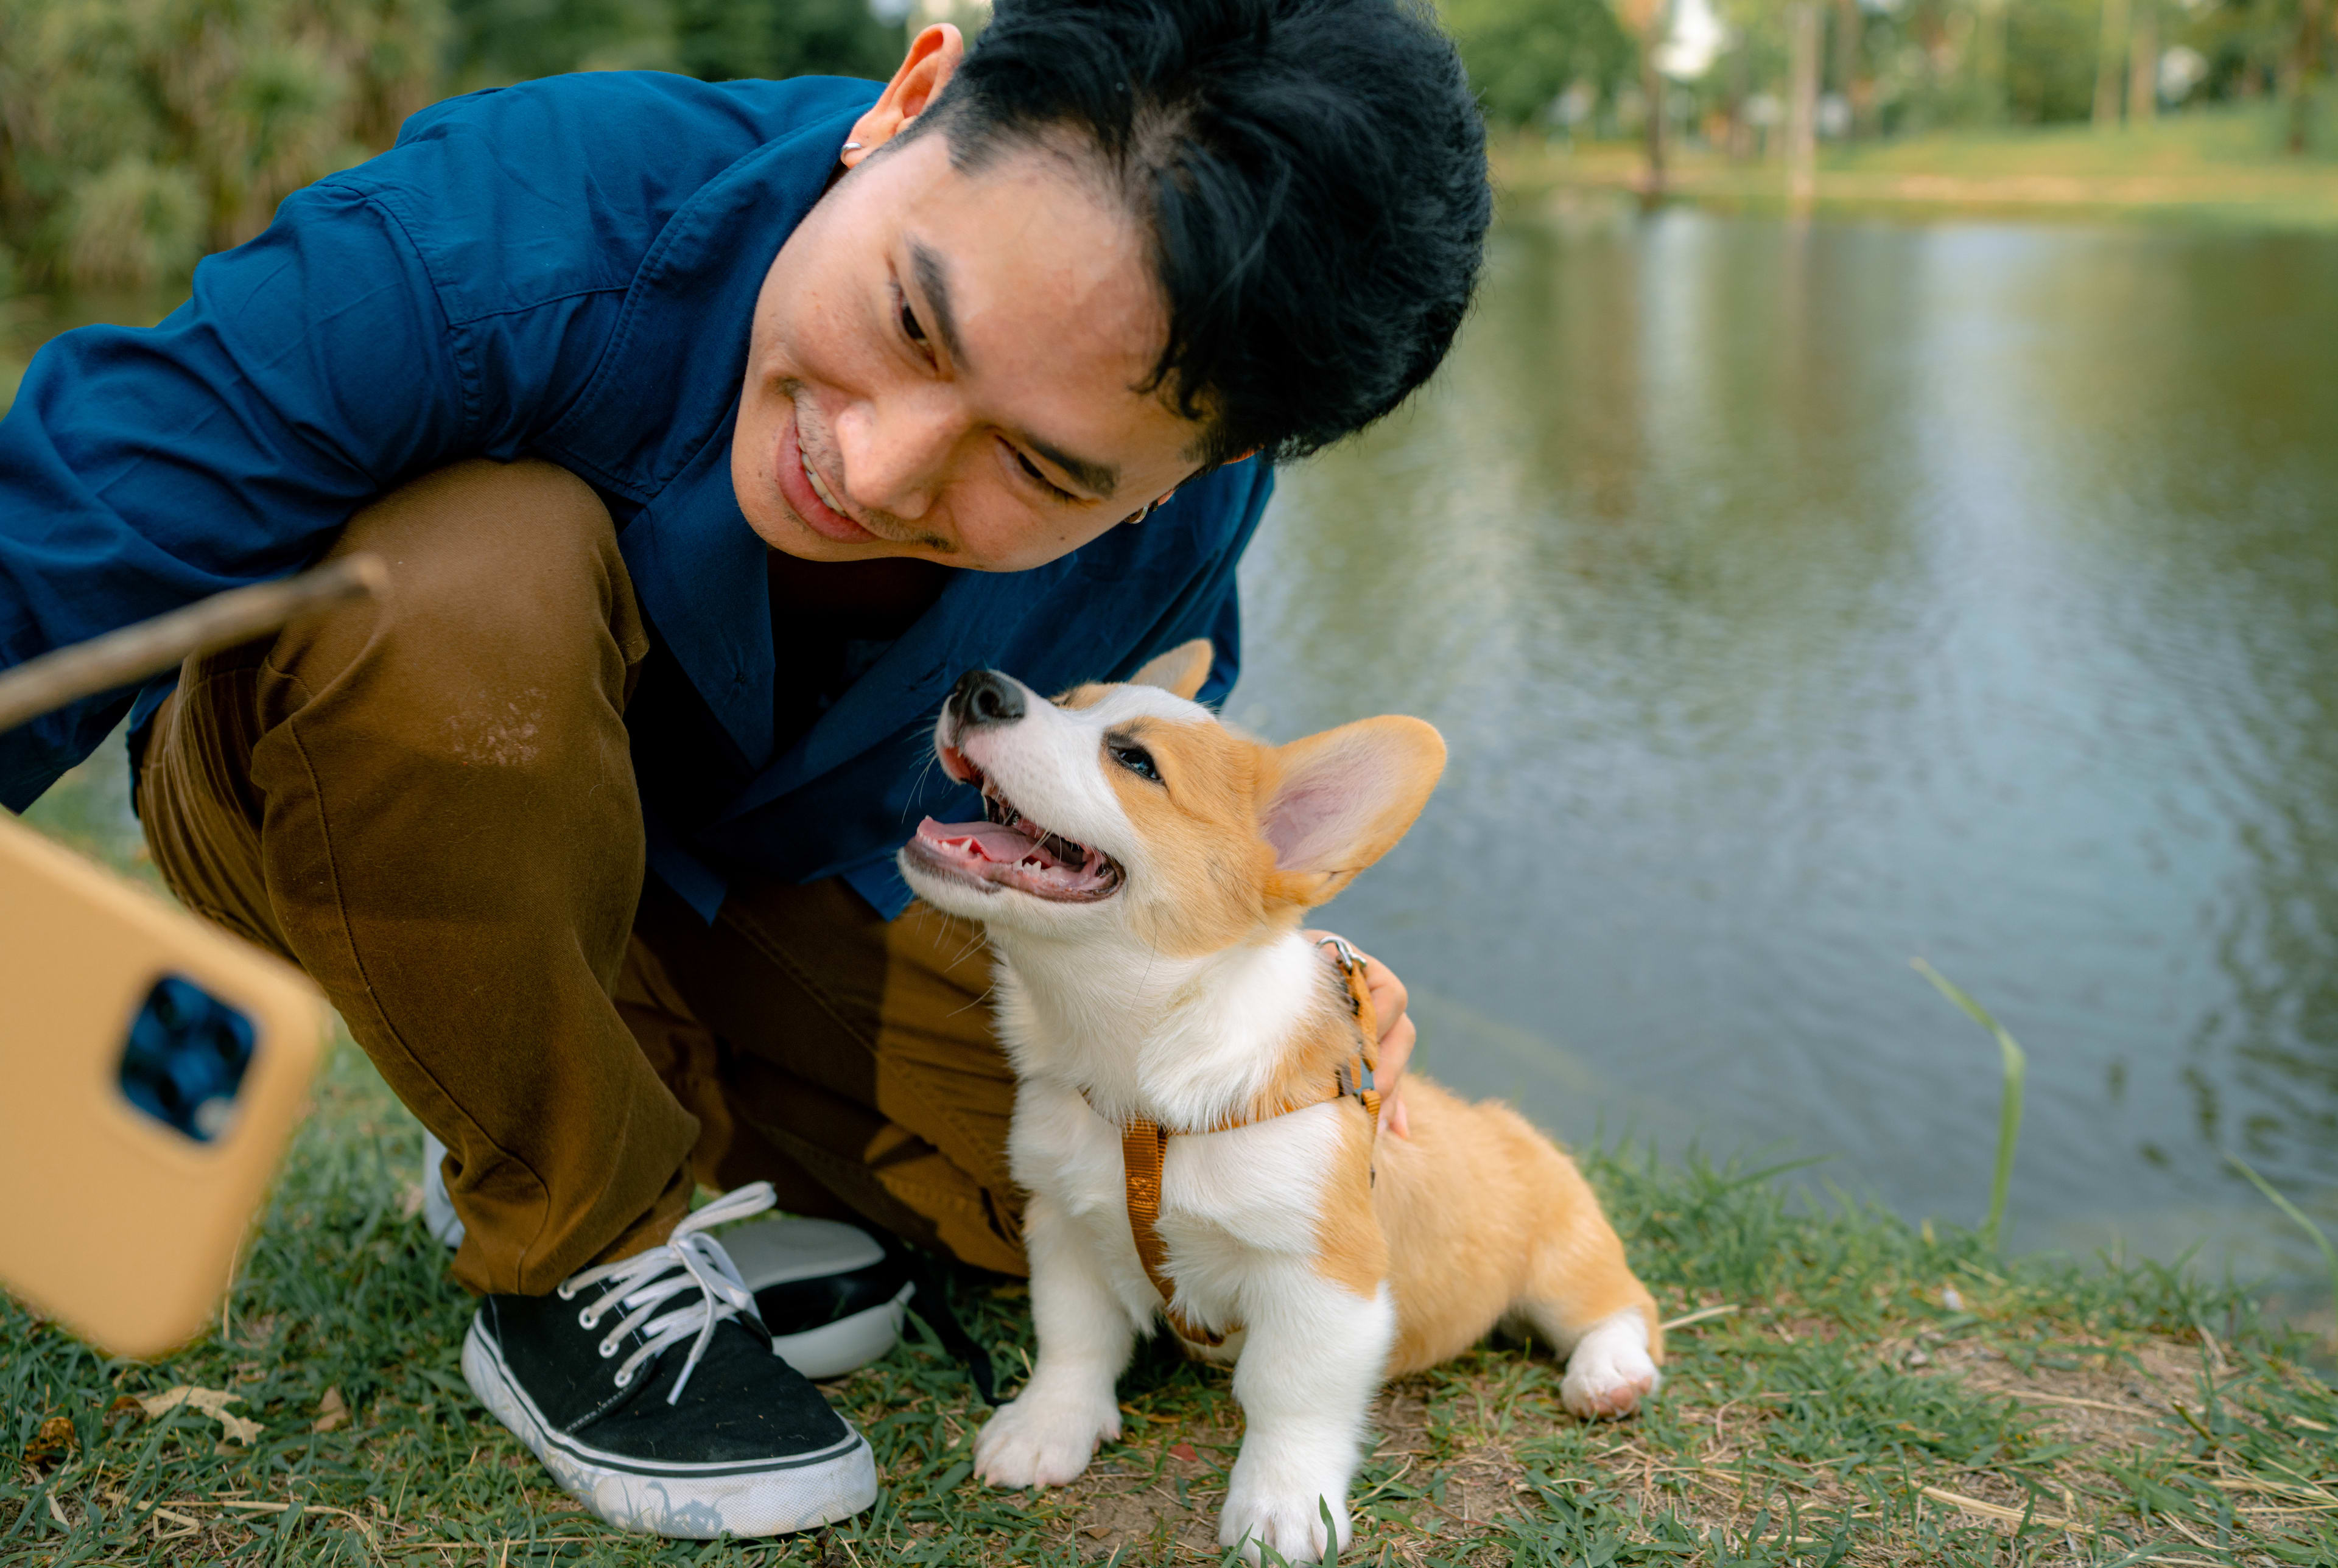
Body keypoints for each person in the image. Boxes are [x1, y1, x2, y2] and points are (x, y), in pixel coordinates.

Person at [0, 0, 1489, 1538]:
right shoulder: (508, 225)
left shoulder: (1186, 508)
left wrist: (1264, 981)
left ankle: (580, 1085)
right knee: (467, 583)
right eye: (915, 324)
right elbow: (54, 556)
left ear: (1199, 468)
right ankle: (578, 1231)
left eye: (1039, 469)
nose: (877, 465)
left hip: (768, 869)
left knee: (1110, 1180)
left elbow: (1121, 804)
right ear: (910, 97)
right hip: (353, 761)